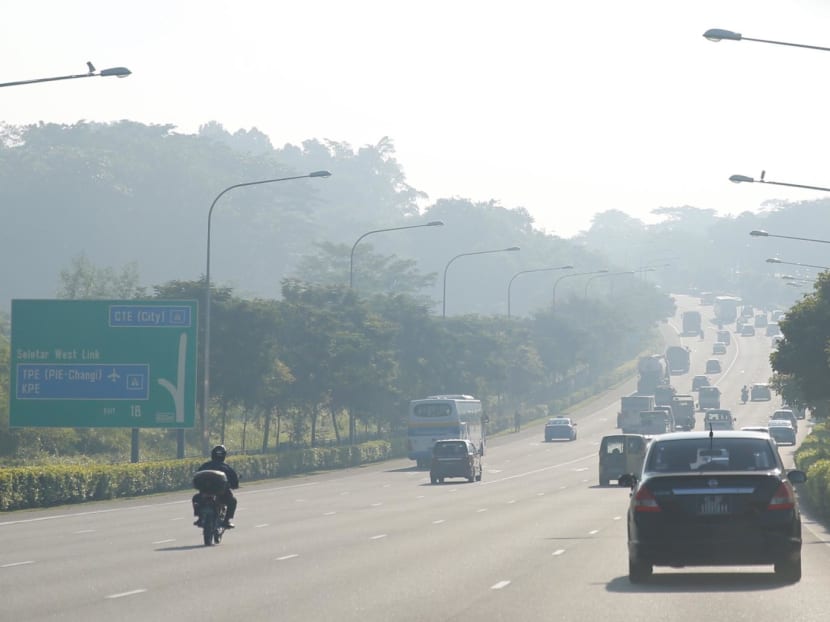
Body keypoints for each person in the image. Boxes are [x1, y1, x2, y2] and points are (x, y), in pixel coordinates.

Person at [192, 444, 239, 528]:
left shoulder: (205, 466)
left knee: (196, 499)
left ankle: (200, 518)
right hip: (221, 493)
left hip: (206, 491)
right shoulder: (226, 468)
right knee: (233, 501)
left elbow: (196, 478)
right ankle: (226, 521)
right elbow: (234, 481)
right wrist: (234, 485)